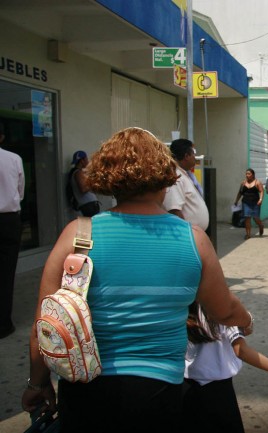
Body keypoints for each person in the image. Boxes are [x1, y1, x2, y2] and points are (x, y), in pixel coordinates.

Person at [21, 127, 253, 433]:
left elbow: (44, 325)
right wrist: (245, 319)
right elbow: (224, 311)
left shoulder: (77, 236)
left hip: (84, 387)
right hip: (159, 391)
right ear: (164, 175)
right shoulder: (192, 239)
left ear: (107, 177)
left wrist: (37, 384)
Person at [183, 302, 268, 432]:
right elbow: (241, 350)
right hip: (216, 392)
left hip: (183, 386)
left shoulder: (179, 305)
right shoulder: (221, 307)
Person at [0, 122, 24, 339]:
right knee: (6, 274)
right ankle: (3, 323)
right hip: (8, 219)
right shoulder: (13, 159)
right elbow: (21, 191)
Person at [163, 138, 209, 231]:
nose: (195, 158)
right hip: (188, 236)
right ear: (186, 156)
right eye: (193, 154)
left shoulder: (184, 174)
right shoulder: (175, 177)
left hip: (195, 234)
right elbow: (174, 211)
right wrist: (186, 236)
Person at [234, 168, 264, 239]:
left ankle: (261, 225)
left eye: (249, 174)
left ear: (253, 175)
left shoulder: (257, 182)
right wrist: (236, 200)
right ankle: (248, 234)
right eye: (246, 174)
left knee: (255, 218)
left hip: (255, 203)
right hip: (246, 203)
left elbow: (261, 191)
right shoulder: (243, 183)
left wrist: (260, 199)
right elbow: (240, 193)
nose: (247, 175)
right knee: (247, 218)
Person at [69, 150, 101, 217]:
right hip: (89, 206)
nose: (88, 161)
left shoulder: (79, 172)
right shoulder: (78, 173)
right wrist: (93, 182)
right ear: (82, 160)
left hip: (88, 205)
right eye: (86, 159)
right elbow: (83, 189)